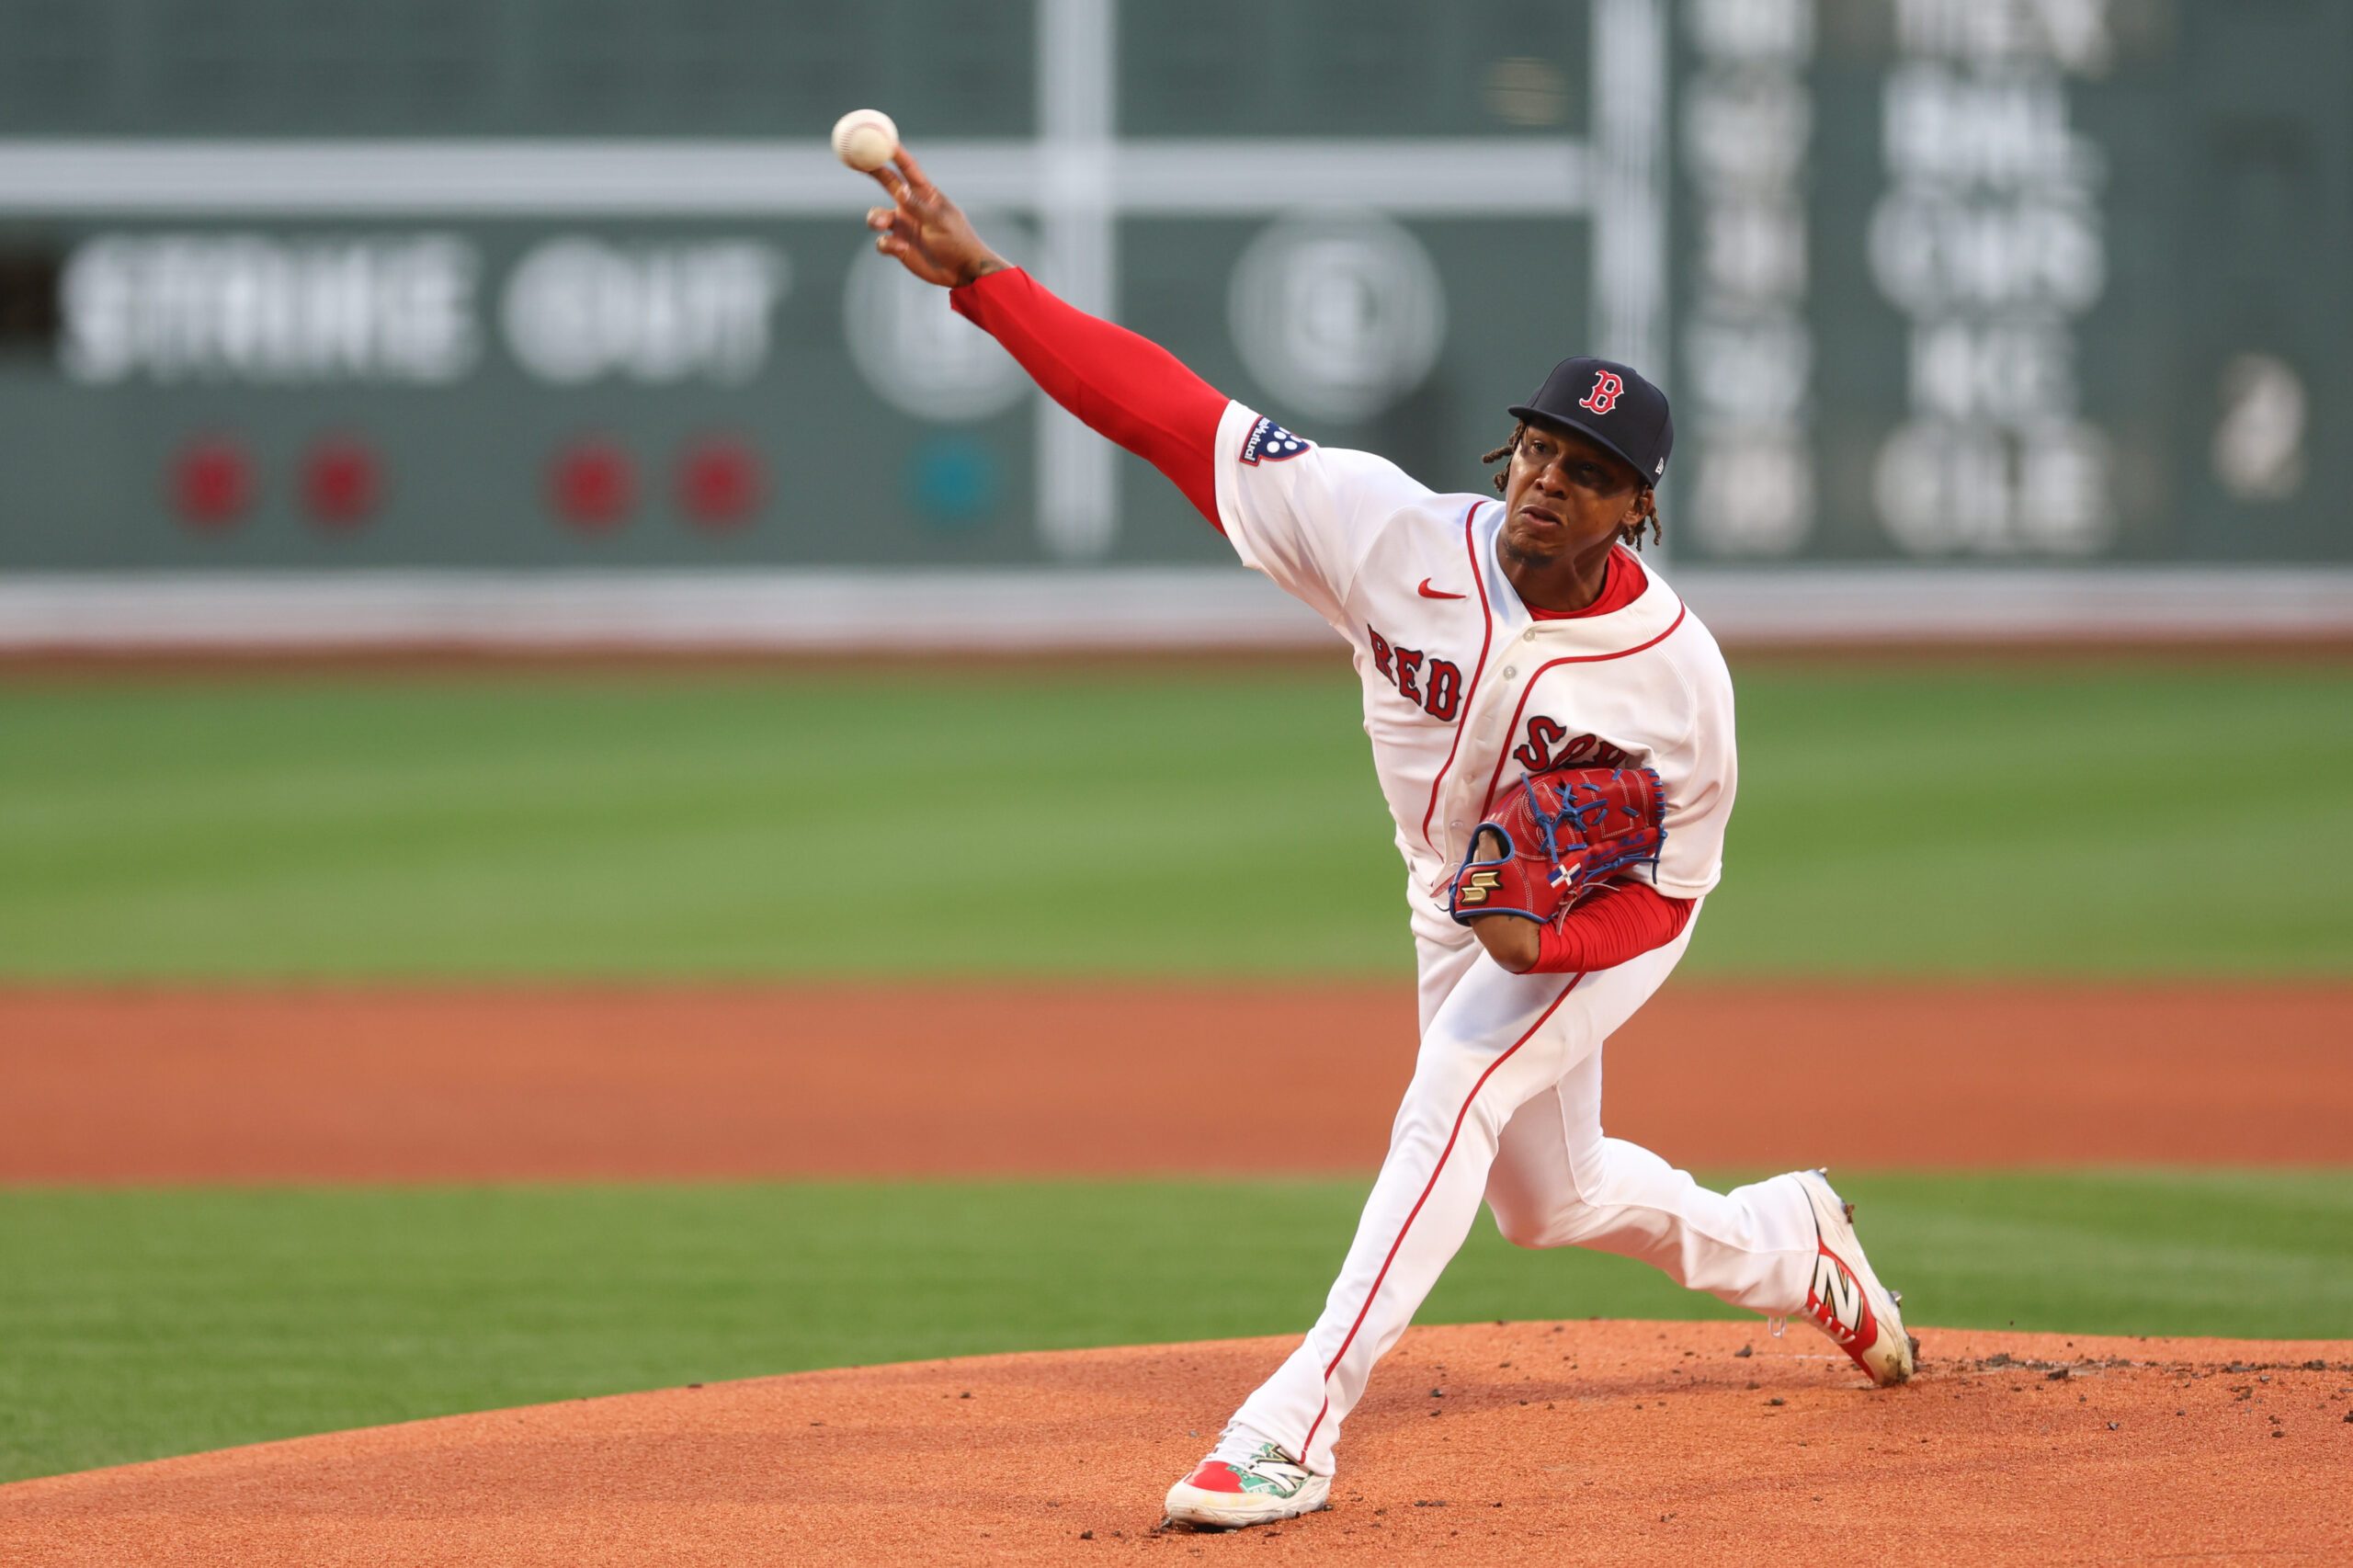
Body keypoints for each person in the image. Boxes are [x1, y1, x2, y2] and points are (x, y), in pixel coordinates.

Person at [858, 145, 1916, 1532]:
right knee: (1552, 1198)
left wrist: (1554, 941)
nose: (1549, 480)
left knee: (1457, 1084)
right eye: (1540, 446)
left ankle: (1292, 1423)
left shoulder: (1678, 681)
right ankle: (1792, 1242)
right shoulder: (1389, 534)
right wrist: (989, 287)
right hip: (1457, 900)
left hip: (1596, 917)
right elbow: (1171, 415)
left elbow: (1671, 891)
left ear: (1637, 509)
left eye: (1589, 471)